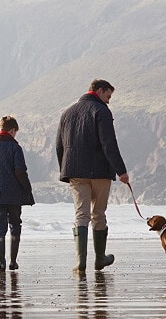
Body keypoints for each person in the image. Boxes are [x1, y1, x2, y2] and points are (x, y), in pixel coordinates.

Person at [56, 79, 130, 272]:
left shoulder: (67, 112)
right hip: (99, 171)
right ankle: (99, 259)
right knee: (98, 214)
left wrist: (65, 169)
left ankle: (80, 262)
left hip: (75, 171)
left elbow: (59, 145)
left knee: (81, 215)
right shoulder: (102, 111)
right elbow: (109, 144)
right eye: (108, 96)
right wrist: (121, 170)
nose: (108, 101)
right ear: (99, 90)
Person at [0, 115, 35, 272]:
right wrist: (27, 189)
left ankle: (1, 263)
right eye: (15, 132)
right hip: (14, 194)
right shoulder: (15, 148)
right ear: (12, 130)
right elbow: (20, 171)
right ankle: (13, 262)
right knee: (15, 224)